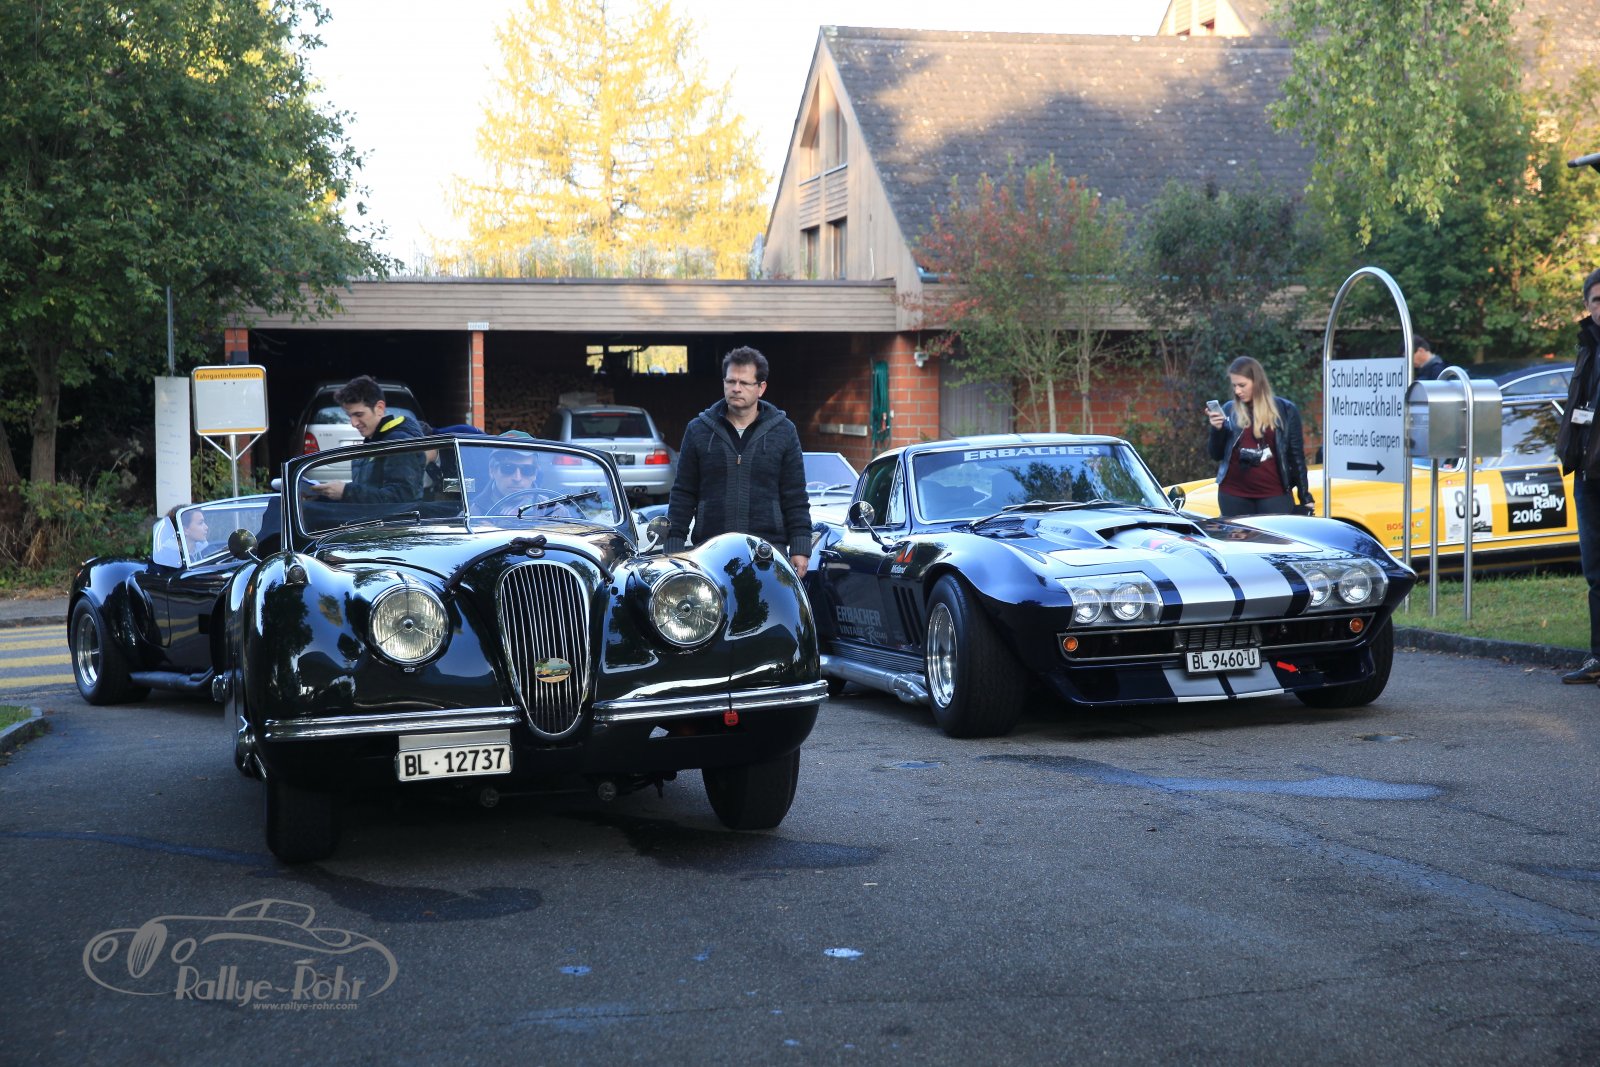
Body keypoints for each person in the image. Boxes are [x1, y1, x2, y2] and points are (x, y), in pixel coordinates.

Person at [666, 346, 813, 576]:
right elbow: (683, 493)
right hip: (709, 553)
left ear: (761, 388)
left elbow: (795, 495)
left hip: (769, 554)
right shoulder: (698, 430)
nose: (736, 388)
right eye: (731, 381)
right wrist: (674, 545)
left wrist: (800, 547)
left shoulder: (784, 431)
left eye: (744, 383)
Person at [1554, 267, 1600, 683]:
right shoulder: (1587, 345)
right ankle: (1598, 658)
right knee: (1595, 571)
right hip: (1587, 474)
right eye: (1597, 300)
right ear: (1587, 305)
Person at [1205, 356, 1312, 517]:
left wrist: (1305, 497)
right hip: (1233, 495)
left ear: (1257, 382)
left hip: (1274, 495)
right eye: (1234, 386)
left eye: (1242, 385)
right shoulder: (1229, 410)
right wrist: (1217, 429)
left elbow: (1296, 458)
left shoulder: (1286, 410)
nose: (1237, 391)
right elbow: (1216, 455)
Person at [307, 375, 425, 503]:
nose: (353, 423)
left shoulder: (398, 442)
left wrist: (346, 492)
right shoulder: (373, 441)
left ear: (379, 408)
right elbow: (368, 497)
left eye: (359, 414)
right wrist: (324, 496)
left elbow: (401, 498)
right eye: (350, 416)